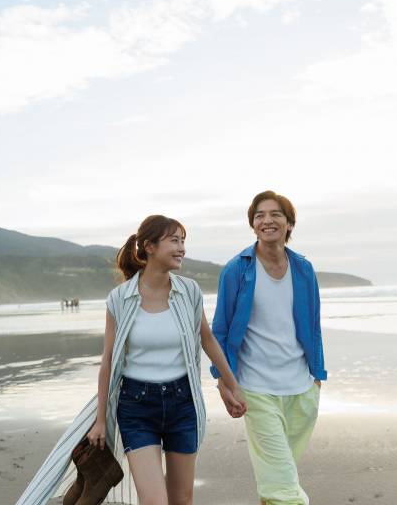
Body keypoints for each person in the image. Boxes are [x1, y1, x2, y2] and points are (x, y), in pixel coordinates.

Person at [16, 215, 245, 505]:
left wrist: (232, 384)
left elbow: (208, 340)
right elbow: (108, 360)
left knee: (182, 500)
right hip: (137, 407)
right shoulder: (120, 298)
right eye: (174, 240)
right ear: (149, 246)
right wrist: (100, 420)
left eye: (183, 241)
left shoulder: (189, 291)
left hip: (183, 402)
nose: (182, 248)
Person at [210, 191, 327, 505]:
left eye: (276, 214)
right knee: (285, 490)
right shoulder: (237, 270)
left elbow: (313, 327)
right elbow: (219, 330)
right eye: (259, 215)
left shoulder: (303, 269)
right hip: (256, 389)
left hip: (302, 389)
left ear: (289, 223)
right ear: (253, 224)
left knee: (276, 478)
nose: (267, 220)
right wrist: (223, 382)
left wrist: (318, 376)